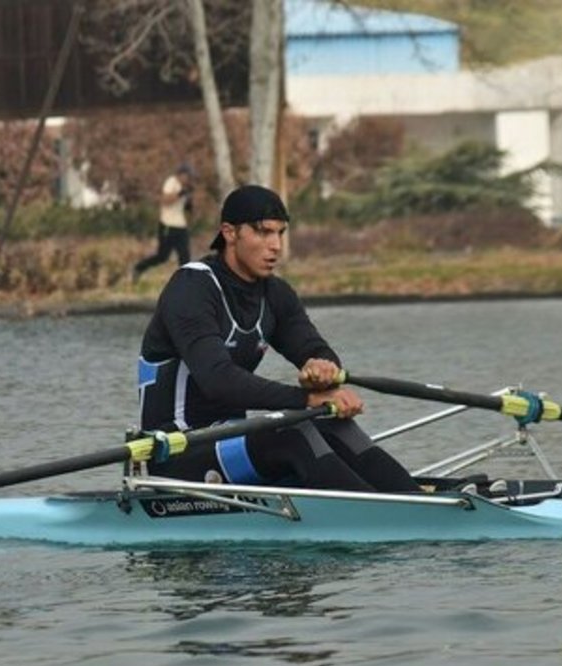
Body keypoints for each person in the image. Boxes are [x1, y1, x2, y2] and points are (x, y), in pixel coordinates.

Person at [135, 184, 419, 492]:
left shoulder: (275, 293)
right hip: (178, 450)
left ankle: (415, 501)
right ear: (230, 233)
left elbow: (313, 347)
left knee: (333, 424)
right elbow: (218, 379)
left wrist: (320, 369)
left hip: (231, 440)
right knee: (294, 431)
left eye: (280, 233)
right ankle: (381, 517)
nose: (275, 246)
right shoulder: (191, 288)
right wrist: (305, 398)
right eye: (263, 232)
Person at [132, 163, 194, 282]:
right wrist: (181, 193)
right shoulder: (171, 182)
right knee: (162, 256)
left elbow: (186, 208)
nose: (189, 179)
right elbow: (165, 201)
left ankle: (187, 284)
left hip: (181, 226)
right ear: (181, 175)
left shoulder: (185, 187)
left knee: (185, 257)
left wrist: (189, 202)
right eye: (188, 176)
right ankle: (139, 268)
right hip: (167, 225)